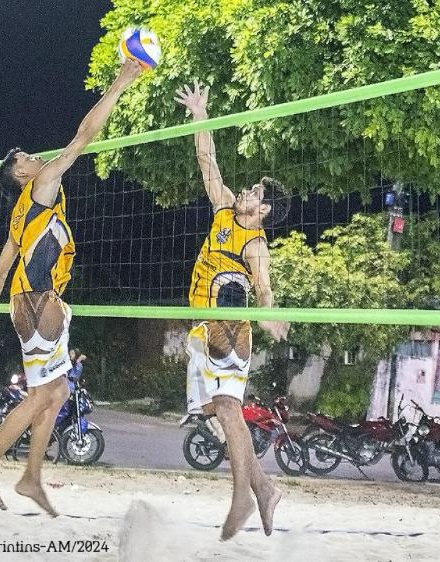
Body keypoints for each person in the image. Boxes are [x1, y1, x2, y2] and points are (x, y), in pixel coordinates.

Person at [0, 59, 143, 516]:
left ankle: (30, 477)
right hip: (40, 302)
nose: (31, 155)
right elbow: (83, 136)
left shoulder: (20, 214)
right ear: (22, 175)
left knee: (56, 391)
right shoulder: (43, 184)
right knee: (46, 394)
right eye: (23, 157)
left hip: (21, 306)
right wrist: (121, 82)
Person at [176, 80, 289, 540]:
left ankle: (247, 494)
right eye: (250, 187)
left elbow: (264, 292)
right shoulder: (224, 209)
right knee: (216, 411)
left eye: (256, 191)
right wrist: (200, 116)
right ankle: (263, 489)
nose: (247, 189)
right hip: (203, 327)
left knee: (226, 407)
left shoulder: (256, 244)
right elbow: (208, 164)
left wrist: (271, 315)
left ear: (263, 211)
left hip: (230, 328)